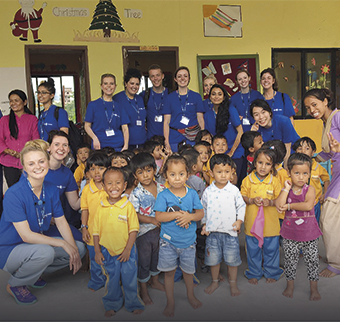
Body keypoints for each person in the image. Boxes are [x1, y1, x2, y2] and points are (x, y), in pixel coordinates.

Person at [0, 139, 85, 305]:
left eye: (41, 161)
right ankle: (16, 283)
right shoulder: (14, 193)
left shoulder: (51, 188)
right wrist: (62, 244)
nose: (37, 167)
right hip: (9, 249)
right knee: (46, 252)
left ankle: (32, 272)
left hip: (34, 245)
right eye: (31, 164)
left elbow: (61, 223)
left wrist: (72, 248)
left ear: (47, 161)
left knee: (79, 249)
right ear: (24, 167)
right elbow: (26, 236)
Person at [154, 154, 204, 317]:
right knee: (169, 273)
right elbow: (159, 217)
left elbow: (200, 213)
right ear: (166, 176)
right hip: (168, 243)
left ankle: (190, 295)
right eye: (172, 174)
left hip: (188, 242)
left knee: (188, 272)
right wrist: (178, 215)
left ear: (187, 175)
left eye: (181, 174)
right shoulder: (163, 195)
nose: (177, 178)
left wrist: (190, 216)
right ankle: (170, 301)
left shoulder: (192, 194)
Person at [93, 167, 144, 317]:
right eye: (109, 183)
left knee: (130, 279)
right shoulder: (100, 207)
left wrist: (128, 249)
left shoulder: (127, 206)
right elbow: (95, 231)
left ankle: (133, 303)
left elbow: (133, 229)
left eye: (118, 183)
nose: (114, 187)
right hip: (107, 251)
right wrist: (97, 251)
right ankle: (111, 303)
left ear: (124, 185)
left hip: (127, 251)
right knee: (112, 279)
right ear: (103, 186)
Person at [303, 88, 340, 278]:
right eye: (308, 107)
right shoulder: (326, 122)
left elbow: (336, 148)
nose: (311, 110)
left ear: (326, 101)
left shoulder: (338, 116)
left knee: (328, 217)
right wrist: (309, 159)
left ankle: (336, 263)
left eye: (314, 104)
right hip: (337, 173)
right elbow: (327, 152)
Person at [276, 153, 322, 301]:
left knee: (312, 262)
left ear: (309, 174)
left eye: (305, 173)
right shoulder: (287, 189)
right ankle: (290, 286)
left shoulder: (310, 190)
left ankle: (314, 289)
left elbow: (308, 205)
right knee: (290, 262)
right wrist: (285, 189)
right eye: (297, 173)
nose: (301, 177)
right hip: (290, 235)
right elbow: (278, 205)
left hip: (309, 234)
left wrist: (289, 205)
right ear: (289, 173)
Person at [201, 154, 245, 296]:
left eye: (227, 172)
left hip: (230, 232)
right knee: (213, 260)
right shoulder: (208, 191)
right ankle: (214, 281)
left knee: (232, 260)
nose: (223, 175)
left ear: (232, 172)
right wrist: (204, 224)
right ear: (211, 173)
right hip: (212, 232)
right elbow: (204, 209)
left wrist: (239, 221)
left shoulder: (234, 190)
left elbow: (241, 206)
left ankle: (233, 284)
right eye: (219, 172)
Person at [241, 147, 283, 284]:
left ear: (273, 166)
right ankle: (254, 272)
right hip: (252, 224)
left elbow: (280, 200)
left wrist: (270, 202)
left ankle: (271, 271)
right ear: (254, 163)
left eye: (268, 164)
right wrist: (251, 200)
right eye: (260, 163)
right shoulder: (247, 180)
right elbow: (242, 197)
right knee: (253, 250)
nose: (263, 167)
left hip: (271, 226)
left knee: (271, 249)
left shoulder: (275, 181)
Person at [129, 153, 165, 305]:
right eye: (140, 172)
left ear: (154, 169)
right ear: (135, 175)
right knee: (144, 260)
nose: (145, 175)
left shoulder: (162, 188)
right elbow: (133, 214)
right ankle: (143, 288)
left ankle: (154, 281)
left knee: (157, 257)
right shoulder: (136, 194)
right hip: (144, 234)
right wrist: (151, 219)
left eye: (148, 170)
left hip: (161, 231)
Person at [80, 151, 110, 291]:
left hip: (111, 231)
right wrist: (84, 227)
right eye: (92, 169)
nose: (97, 172)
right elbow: (84, 210)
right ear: (88, 172)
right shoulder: (87, 189)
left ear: (108, 169)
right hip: (93, 231)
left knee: (110, 257)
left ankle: (112, 280)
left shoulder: (111, 186)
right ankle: (97, 280)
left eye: (101, 168)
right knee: (94, 257)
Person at [44, 131, 81, 235]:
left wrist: (92, 188)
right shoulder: (37, 168)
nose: (61, 148)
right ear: (49, 147)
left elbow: (75, 204)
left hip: (58, 222)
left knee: (81, 243)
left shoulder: (67, 173)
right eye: (56, 144)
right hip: (37, 223)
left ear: (68, 149)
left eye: (65, 145)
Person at [0, 90, 39, 187]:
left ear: (24, 102)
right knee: (14, 192)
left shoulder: (32, 119)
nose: (13, 103)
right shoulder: (4, 120)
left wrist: (24, 153)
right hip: (9, 162)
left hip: (28, 162)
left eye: (16, 100)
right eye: (11, 101)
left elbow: (36, 140)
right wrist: (8, 151)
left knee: (30, 190)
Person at [163, 66, 205, 152]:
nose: (182, 78)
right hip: (174, 137)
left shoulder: (196, 96)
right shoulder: (169, 98)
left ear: (189, 78)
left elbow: (200, 119)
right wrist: (166, 141)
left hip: (193, 136)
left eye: (185, 76)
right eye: (179, 76)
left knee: (192, 163)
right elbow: (166, 121)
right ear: (175, 79)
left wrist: (202, 138)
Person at [84, 74, 129, 151]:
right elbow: (87, 126)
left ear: (115, 86)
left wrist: (125, 146)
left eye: (111, 84)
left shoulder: (119, 107)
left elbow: (125, 128)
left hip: (117, 146)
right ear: (101, 86)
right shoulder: (93, 105)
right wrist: (94, 138)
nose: (108, 86)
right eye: (105, 83)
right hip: (100, 146)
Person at [250, 99, 300, 166]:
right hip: (275, 162)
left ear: (270, 112)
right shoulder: (257, 130)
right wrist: (253, 135)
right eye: (256, 115)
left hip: (294, 157)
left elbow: (288, 148)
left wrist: (285, 169)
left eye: (263, 112)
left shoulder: (284, 121)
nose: (261, 117)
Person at [213, 84, 245, 186]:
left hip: (235, 152)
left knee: (233, 183)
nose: (216, 97)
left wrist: (231, 152)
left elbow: (240, 132)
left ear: (224, 96)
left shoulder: (231, 109)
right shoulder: (209, 114)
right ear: (209, 97)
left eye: (219, 94)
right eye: (213, 94)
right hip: (219, 153)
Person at [292, 137, 330, 224]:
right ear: (296, 151)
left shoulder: (317, 167)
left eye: (307, 148)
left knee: (313, 225)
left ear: (313, 152)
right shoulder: (293, 166)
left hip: (314, 203)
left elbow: (326, 179)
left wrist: (325, 193)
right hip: (298, 202)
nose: (303, 151)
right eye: (300, 148)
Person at [114, 68, 147, 149]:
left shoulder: (140, 99)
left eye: (137, 84)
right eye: (132, 83)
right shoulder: (117, 99)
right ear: (126, 84)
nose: (134, 86)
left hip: (142, 142)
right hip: (126, 144)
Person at [140, 64, 170, 139]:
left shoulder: (171, 94)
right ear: (149, 78)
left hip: (169, 137)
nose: (155, 78)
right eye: (152, 76)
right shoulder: (144, 95)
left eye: (158, 75)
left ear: (162, 76)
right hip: (150, 138)